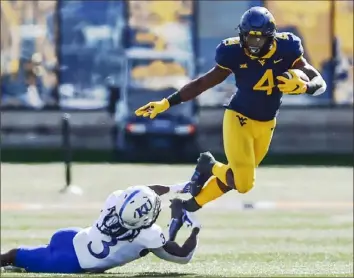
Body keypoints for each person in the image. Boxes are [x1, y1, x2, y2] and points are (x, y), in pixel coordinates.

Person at [134, 6, 327, 231]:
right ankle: (209, 165)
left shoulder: (287, 48)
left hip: (267, 123)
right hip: (239, 118)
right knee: (244, 183)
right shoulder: (232, 52)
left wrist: (305, 86)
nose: (253, 43)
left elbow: (319, 83)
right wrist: (166, 103)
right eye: (249, 37)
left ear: (270, 37)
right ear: (242, 35)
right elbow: (204, 82)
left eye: (258, 38)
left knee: (236, 177)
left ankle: (188, 205)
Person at [0, 183, 200, 274]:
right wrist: (195, 229)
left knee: (20, 255)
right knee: (13, 257)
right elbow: (182, 256)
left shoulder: (115, 199)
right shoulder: (148, 235)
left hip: (74, 236)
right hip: (71, 262)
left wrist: (179, 187)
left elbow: (146, 191)